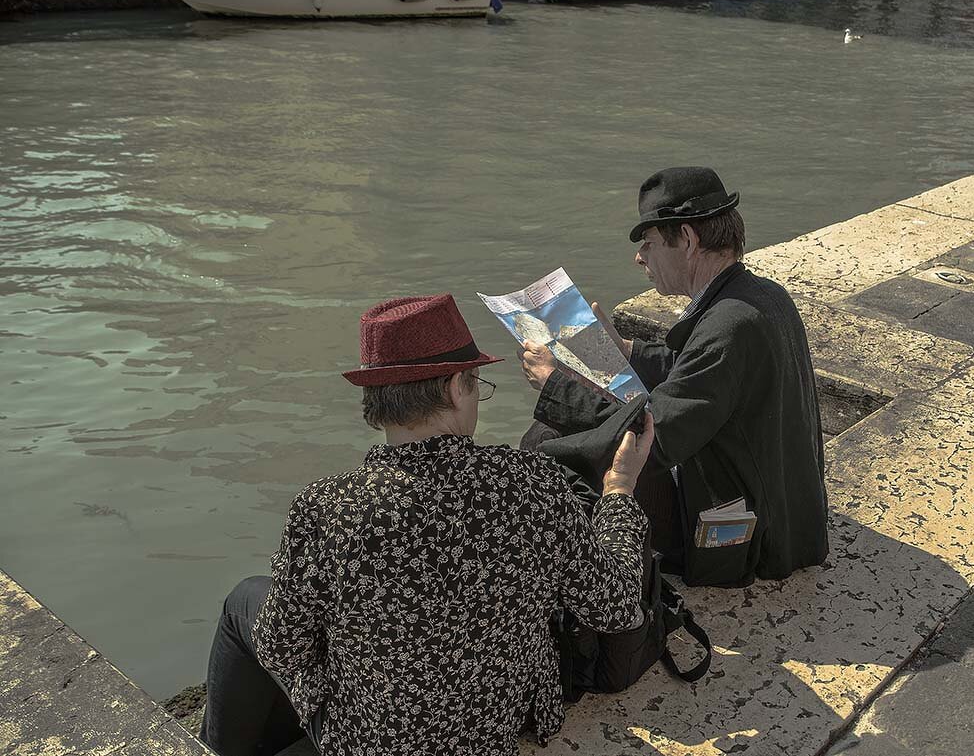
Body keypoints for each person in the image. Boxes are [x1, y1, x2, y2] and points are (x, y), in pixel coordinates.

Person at [199, 294, 653, 756]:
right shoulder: (532, 483)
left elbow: (282, 648)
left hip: (376, 742)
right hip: (497, 725)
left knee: (244, 601)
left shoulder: (325, 509)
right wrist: (619, 491)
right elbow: (615, 608)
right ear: (457, 386)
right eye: (477, 383)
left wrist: (341, 677)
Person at [520, 166, 827, 588]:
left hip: (749, 539)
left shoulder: (727, 326)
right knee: (568, 431)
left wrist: (557, 386)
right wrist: (624, 350)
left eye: (649, 243)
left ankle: (574, 586)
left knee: (547, 441)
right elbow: (698, 371)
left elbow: (653, 440)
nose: (639, 257)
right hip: (786, 516)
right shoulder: (758, 296)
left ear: (687, 238)